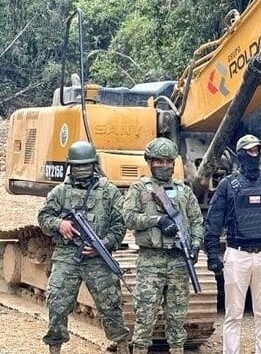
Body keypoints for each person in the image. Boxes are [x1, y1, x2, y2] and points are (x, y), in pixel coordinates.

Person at [37, 140, 130, 354]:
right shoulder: (60, 192)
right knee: (57, 302)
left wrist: (104, 245)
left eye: (86, 165)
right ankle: (54, 347)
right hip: (67, 255)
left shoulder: (108, 192)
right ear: (70, 166)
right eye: (77, 166)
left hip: (98, 257)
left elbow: (119, 224)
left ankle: (122, 345)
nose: (81, 170)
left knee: (110, 305)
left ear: (94, 165)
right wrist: (59, 224)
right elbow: (43, 217)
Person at [204, 134, 261, 354]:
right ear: (241, 154)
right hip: (237, 254)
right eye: (250, 151)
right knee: (233, 315)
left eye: (257, 151)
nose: (255, 155)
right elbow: (213, 221)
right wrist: (212, 254)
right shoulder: (227, 185)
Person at [122, 137, 204, 354]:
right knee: (145, 316)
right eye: (159, 161)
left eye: (168, 161)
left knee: (177, 318)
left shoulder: (184, 191)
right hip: (151, 261)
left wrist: (195, 244)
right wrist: (156, 221)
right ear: (150, 162)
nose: (164, 166)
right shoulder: (139, 188)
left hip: (178, 262)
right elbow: (128, 218)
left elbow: (196, 221)